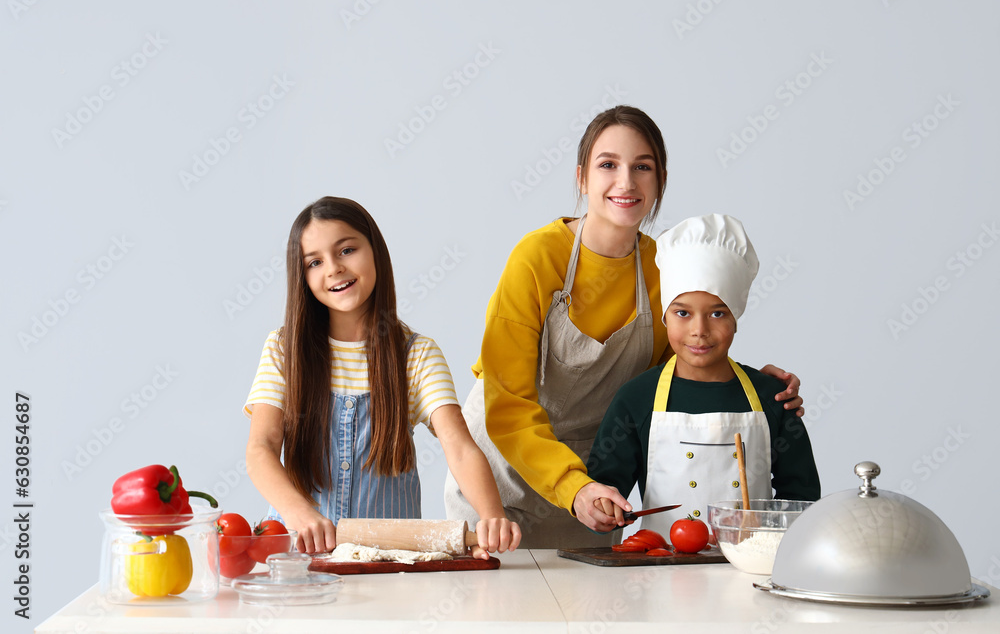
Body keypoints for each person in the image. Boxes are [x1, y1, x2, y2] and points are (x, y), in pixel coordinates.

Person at [444, 106, 805, 547]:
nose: (626, 182)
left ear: (660, 180)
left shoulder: (663, 270)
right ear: (582, 177)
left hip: (596, 488)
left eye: (642, 167)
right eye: (608, 165)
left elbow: (679, 378)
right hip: (501, 485)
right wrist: (571, 487)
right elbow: (509, 403)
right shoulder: (537, 259)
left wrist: (750, 388)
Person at [244, 196, 520, 559]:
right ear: (302, 276)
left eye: (346, 250)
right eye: (314, 262)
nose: (333, 269)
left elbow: (460, 447)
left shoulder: (416, 355)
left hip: (390, 560)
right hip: (300, 555)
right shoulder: (283, 350)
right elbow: (260, 449)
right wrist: (301, 515)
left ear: (375, 250)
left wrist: (491, 515)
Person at [576, 214, 821, 536]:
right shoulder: (636, 397)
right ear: (665, 318)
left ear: (736, 318)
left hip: (748, 570)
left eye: (718, 313)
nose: (699, 331)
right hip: (662, 567)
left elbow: (801, 499)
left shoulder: (773, 397)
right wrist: (603, 508)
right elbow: (607, 486)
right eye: (682, 313)